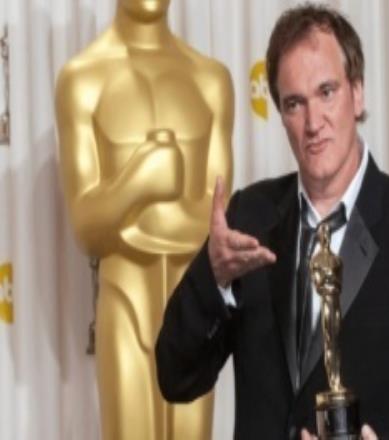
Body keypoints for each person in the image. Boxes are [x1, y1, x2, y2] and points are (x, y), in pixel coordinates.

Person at [155, 4, 389, 440]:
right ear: (281, 114)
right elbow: (175, 377)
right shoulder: (249, 220)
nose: (313, 123)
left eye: (326, 92)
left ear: (357, 93)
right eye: (294, 103)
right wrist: (214, 278)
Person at [55, 0, 234, 438]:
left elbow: (218, 220)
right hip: (125, 301)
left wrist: (134, 215)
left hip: (194, 305)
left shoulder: (211, 80)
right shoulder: (82, 80)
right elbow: (85, 227)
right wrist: (138, 182)